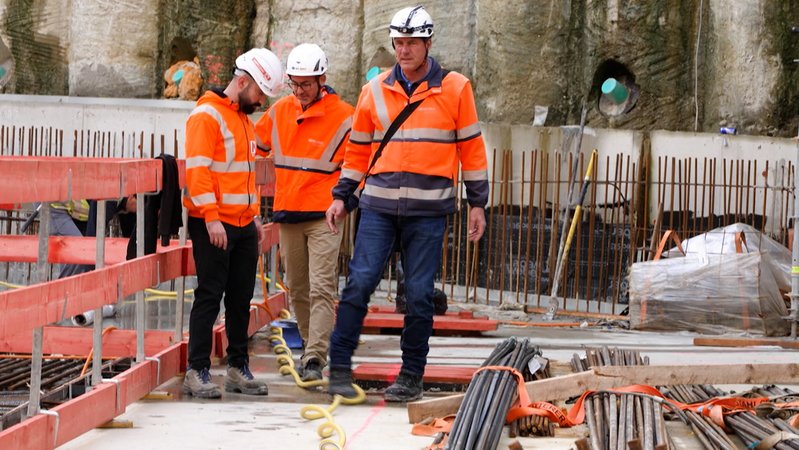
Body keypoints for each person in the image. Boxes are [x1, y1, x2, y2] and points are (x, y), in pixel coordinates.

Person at [325, 5, 489, 402]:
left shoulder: (456, 88)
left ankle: (411, 375)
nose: (404, 50)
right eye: (399, 43)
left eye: (412, 43)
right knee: (359, 283)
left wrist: (478, 204)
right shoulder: (374, 90)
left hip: (428, 212)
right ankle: (340, 368)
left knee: (418, 293)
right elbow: (358, 151)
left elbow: (472, 149)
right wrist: (341, 197)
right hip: (378, 207)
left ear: (428, 43)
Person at [182, 48, 283, 399]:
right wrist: (211, 219)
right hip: (213, 224)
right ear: (242, 82)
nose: (260, 101)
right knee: (210, 295)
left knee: (241, 298)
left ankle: (238, 368)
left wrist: (254, 215)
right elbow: (198, 172)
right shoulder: (207, 116)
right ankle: (197, 369)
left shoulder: (243, 119)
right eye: (258, 93)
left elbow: (246, 175)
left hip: (241, 223)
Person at [255, 44, 354, 382]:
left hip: (325, 214)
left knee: (322, 286)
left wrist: (343, 199)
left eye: (306, 84)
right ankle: (312, 347)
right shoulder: (280, 111)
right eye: (294, 84)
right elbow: (257, 149)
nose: (300, 91)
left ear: (322, 79)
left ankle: (314, 357)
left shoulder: (344, 115)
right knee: (297, 286)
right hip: (288, 212)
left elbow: (357, 164)